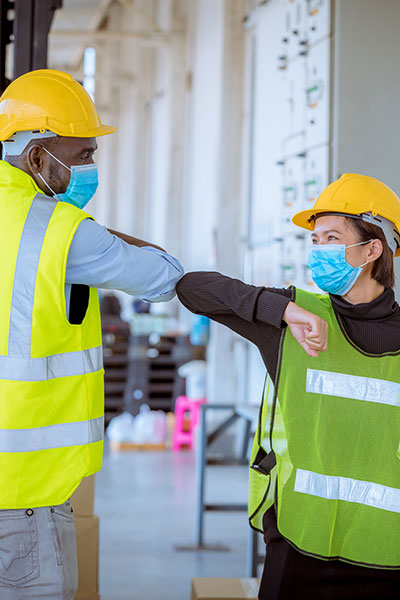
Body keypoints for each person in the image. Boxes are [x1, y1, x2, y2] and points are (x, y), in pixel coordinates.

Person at [0, 69, 183, 599]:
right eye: (81, 155)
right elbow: (164, 276)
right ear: (38, 158)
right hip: (23, 493)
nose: (90, 168)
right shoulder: (59, 229)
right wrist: (96, 231)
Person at [176, 173, 400, 599]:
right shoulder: (293, 319)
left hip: (386, 554)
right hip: (298, 549)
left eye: (331, 238)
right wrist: (280, 311)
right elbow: (192, 288)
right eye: (315, 241)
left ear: (373, 249)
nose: (318, 252)